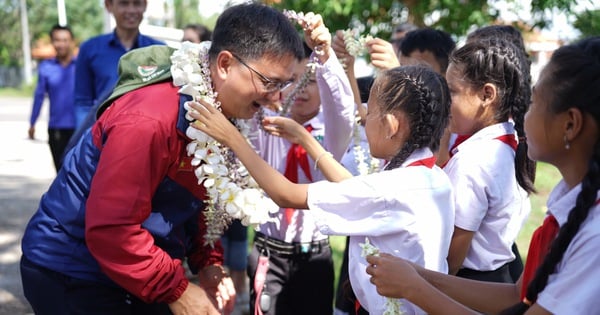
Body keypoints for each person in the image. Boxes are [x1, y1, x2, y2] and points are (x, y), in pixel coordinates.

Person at [20, 3, 304, 315]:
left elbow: (197, 195)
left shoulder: (219, 108)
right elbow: (111, 228)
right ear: (224, 64)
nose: (277, 99)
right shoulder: (150, 120)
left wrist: (208, 262)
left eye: (284, 85)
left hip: (131, 264)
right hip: (74, 268)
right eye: (271, 82)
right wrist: (178, 291)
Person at [187, 65, 455, 315]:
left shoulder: (393, 189)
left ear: (391, 125)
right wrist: (305, 138)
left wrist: (231, 138)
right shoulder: (432, 178)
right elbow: (354, 188)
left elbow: (286, 194)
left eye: (369, 112)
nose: (364, 120)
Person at [366, 35, 600, 315]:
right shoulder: (571, 203)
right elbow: (515, 295)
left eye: (535, 103)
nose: (524, 116)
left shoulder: (594, 238)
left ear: (570, 124)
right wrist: (418, 275)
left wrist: (414, 288)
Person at [245, 14, 354, 315]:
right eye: (293, 80)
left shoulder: (330, 135)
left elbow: (343, 110)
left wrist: (324, 53)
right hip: (269, 252)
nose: (302, 89)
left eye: (312, 81)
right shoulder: (263, 122)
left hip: (314, 256)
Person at [441, 38, 536, 284]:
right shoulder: (508, 141)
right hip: (497, 278)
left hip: (469, 285)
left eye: (452, 91)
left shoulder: (474, 161)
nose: (444, 100)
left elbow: (452, 259)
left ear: (487, 94)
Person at [73, 0, 164, 127]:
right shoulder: (90, 49)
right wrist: (86, 137)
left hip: (148, 134)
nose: (131, 10)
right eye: (124, 3)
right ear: (108, 5)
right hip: (103, 136)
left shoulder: (160, 52)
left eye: (137, 3)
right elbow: (83, 102)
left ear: (145, 6)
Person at [28, 24, 77, 171]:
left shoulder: (82, 66)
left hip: (81, 127)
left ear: (72, 42)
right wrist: (32, 123)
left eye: (65, 40)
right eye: (57, 40)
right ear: (52, 42)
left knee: (82, 176)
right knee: (61, 173)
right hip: (57, 129)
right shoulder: (46, 67)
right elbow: (39, 96)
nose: (61, 44)